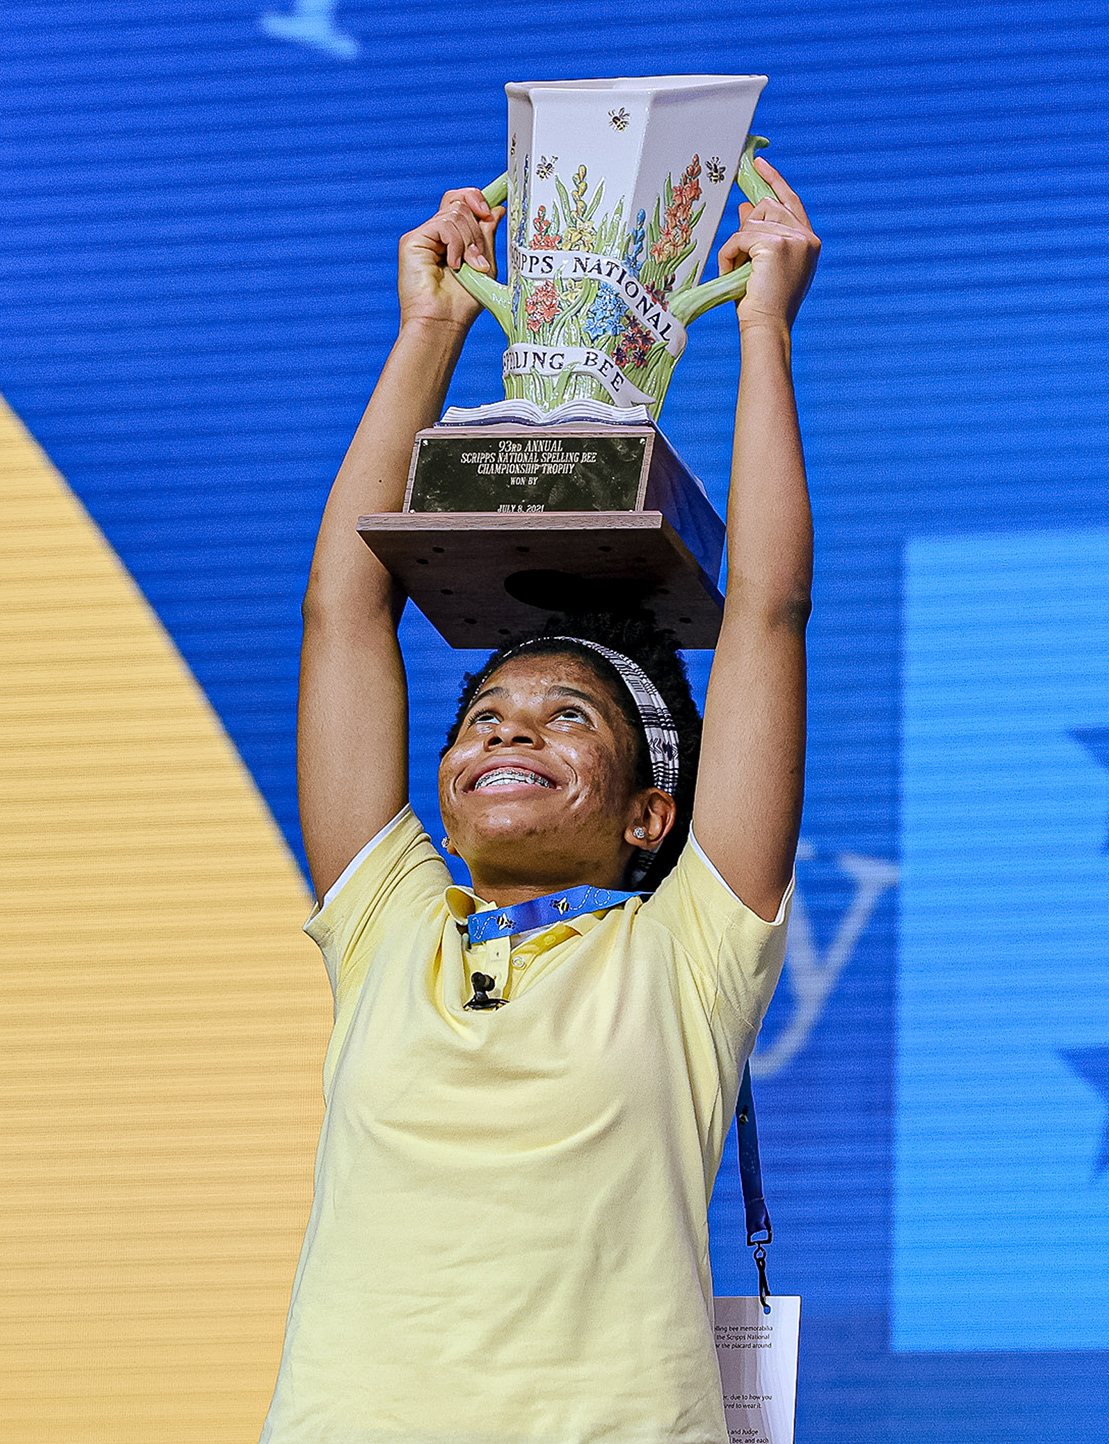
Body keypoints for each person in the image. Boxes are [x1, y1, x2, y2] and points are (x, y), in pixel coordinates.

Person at [260, 158, 819, 1443]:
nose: (508, 730)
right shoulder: (390, 926)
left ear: (650, 813)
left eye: (570, 717)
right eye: (484, 719)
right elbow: (344, 611)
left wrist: (767, 335)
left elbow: (767, 614)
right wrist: (432, 328)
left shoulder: (688, 952)